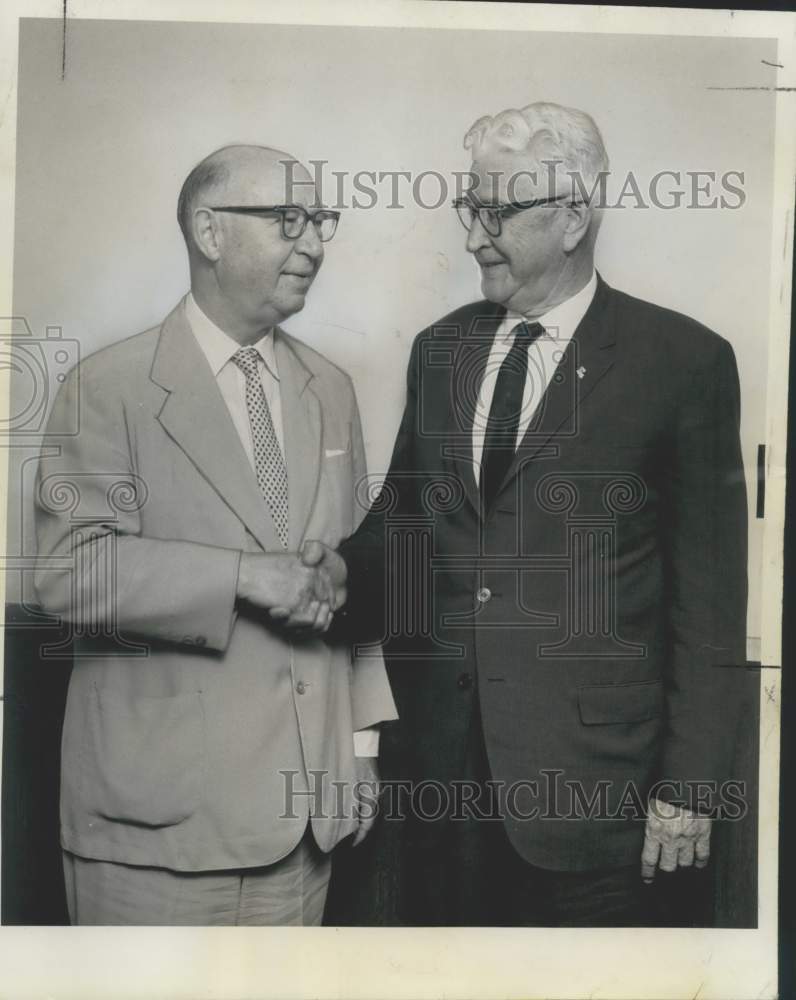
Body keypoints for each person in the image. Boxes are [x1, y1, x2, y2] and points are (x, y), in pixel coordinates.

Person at [321, 102, 749, 926]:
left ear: (573, 216)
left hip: (600, 800)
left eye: (497, 212)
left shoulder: (685, 363)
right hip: (438, 785)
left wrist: (690, 789)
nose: (474, 236)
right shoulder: (439, 350)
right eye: (467, 209)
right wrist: (336, 571)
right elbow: (404, 532)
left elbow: (711, 603)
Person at [33, 144, 396, 926]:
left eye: (320, 220)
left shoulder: (330, 388)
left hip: (307, 822)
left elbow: (352, 575)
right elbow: (70, 574)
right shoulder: (106, 386)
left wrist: (361, 754)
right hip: (156, 833)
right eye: (287, 220)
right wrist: (241, 574)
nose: (315, 243)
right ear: (209, 231)